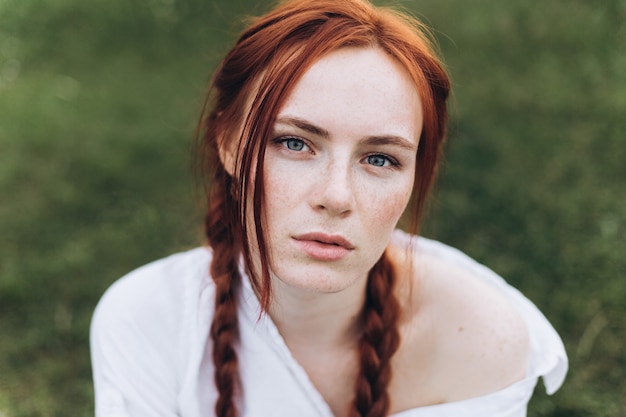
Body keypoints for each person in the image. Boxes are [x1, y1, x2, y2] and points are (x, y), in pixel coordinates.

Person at [90, 0, 568, 416]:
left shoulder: (477, 336)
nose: (336, 196)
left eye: (380, 158)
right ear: (231, 145)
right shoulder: (148, 320)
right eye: (295, 143)